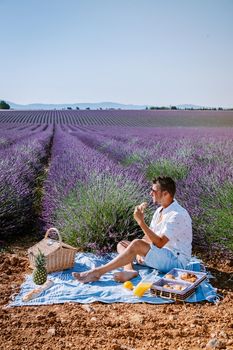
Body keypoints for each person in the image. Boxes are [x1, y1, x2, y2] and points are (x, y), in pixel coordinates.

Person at [72, 176, 192, 283]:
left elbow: (160, 243)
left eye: (154, 191)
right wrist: (141, 250)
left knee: (135, 244)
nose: (150, 193)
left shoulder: (177, 214)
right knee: (122, 244)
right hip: (160, 255)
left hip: (175, 261)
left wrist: (140, 222)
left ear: (165, 194)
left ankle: (97, 272)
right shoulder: (160, 210)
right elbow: (148, 237)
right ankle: (129, 270)